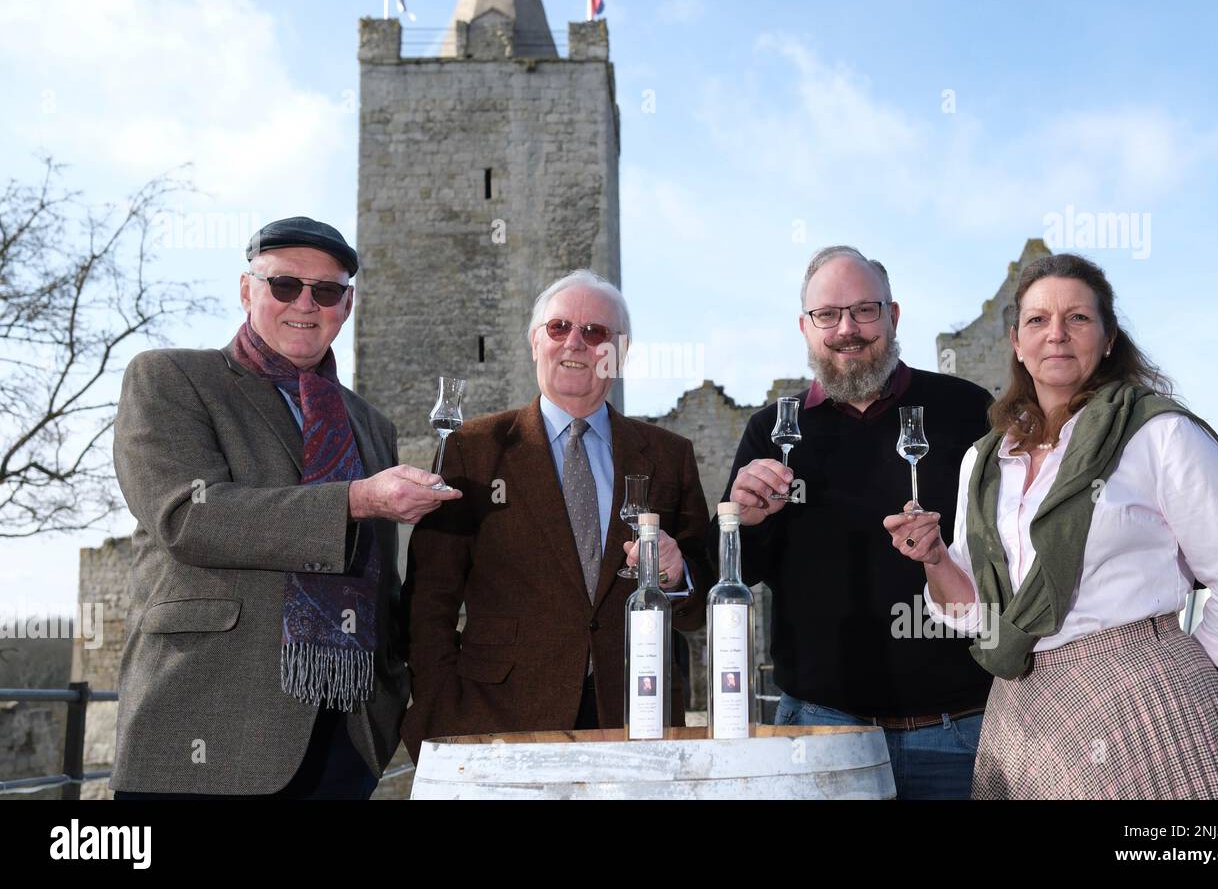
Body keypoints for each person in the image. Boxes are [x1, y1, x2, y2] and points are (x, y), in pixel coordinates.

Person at [886, 252, 1218, 799]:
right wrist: (934, 560)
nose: (1057, 334)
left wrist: (1188, 684)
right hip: (1020, 714)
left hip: (1143, 702)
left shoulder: (1159, 435)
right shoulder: (982, 462)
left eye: (1078, 318)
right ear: (1016, 344)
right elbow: (978, 612)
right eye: (1037, 321)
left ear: (1109, 337)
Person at [111, 217, 459, 799]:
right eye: (284, 285)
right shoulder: (170, 376)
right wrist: (358, 498)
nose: (306, 303)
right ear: (247, 290)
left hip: (346, 734)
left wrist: (394, 690)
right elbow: (189, 517)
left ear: (345, 306)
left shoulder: (371, 425)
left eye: (326, 291)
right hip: (206, 724)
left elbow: (383, 578)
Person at [720, 245, 994, 799]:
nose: (847, 329)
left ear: (893, 317)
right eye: (828, 315)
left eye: (865, 311)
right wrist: (743, 525)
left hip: (961, 733)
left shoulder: (967, 410)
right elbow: (733, 573)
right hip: (823, 735)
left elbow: (1009, 551)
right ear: (805, 326)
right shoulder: (772, 431)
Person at [401, 270, 712, 755]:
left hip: (638, 721)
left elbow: (698, 603)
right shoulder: (473, 450)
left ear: (620, 353)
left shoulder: (670, 456)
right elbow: (428, 597)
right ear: (534, 342)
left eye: (595, 332)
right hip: (498, 721)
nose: (576, 342)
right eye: (559, 327)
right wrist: (438, 708)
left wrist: (676, 578)